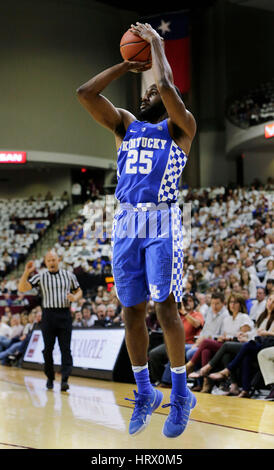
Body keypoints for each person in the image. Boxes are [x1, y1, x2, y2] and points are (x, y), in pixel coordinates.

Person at [77, 21, 197, 438]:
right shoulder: (126, 125)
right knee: (131, 310)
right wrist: (125, 64)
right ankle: (146, 392)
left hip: (161, 220)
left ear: (172, 99)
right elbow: (85, 94)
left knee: (165, 307)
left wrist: (158, 45)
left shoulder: (181, 128)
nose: (151, 93)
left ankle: (181, 393)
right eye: (146, 91)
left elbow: (165, 84)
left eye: (158, 91)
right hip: (126, 220)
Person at [18, 250, 83, 392]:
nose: (52, 263)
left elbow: (79, 291)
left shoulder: (69, 275)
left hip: (65, 315)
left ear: (58, 260)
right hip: (48, 315)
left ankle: (65, 379)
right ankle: (50, 377)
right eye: (49, 261)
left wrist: (75, 297)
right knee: (48, 350)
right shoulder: (41, 276)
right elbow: (22, 288)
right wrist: (26, 272)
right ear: (46, 262)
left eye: (54, 260)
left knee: (65, 349)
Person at [209, 294, 274, 397]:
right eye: (269, 300)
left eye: (273, 302)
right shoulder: (262, 315)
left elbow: (266, 335)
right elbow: (255, 333)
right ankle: (245, 390)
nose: (270, 303)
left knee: (232, 346)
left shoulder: (245, 317)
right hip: (257, 342)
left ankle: (225, 370)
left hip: (268, 345)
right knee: (246, 354)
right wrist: (245, 336)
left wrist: (266, 333)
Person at [186, 293, 253, 392]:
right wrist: (222, 338)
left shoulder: (244, 317)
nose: (232, 305)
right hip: (224, 345)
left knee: (205, 342)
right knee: (206, 351)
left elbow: (242, 337)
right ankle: (206, 382)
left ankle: (191, 365)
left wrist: (229, 338)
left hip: (238, 346)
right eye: (231, 302)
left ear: (241, 304)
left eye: (235, 302)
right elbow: (223, 334)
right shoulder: (227, 319)